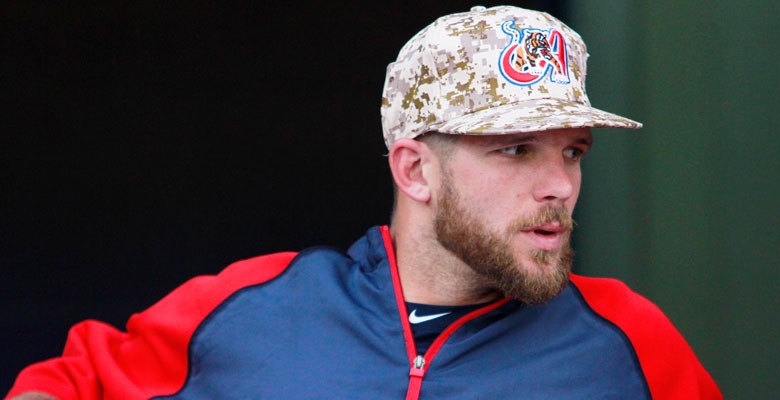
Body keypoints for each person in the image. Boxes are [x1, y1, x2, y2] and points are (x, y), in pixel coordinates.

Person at [6, 5, 722, 400]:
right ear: (415, 170)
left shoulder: (629, 343)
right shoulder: (249, 309)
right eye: (516, 150)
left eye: (573, 152)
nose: (560, 184)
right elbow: (68, 384)